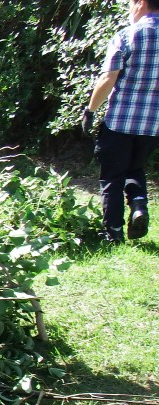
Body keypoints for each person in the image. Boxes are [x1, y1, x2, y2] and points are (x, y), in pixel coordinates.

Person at [82, 0, 159, 242]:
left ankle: (113, 232)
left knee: (112, 176)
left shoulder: (128, 35)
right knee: (135, 167)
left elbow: (108, 78)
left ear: (140, 3)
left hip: (120, 121)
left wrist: (90, 111)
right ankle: (138, 206)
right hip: (154, 124)